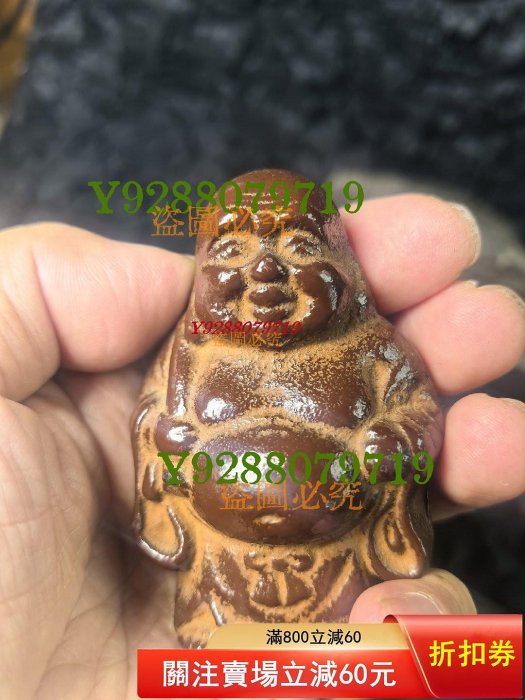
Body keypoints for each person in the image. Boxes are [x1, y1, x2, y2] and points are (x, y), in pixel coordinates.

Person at [0, 194, 524, 699]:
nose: (267, 269)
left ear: (343, 266)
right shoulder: (189, 351)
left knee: (387, 641)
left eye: (299, 247)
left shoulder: (374, 348)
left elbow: (418, 409)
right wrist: (167, 436)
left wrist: (394, 440)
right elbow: (153, 414)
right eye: (233, 251)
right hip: (218, 556)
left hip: (342, 547)